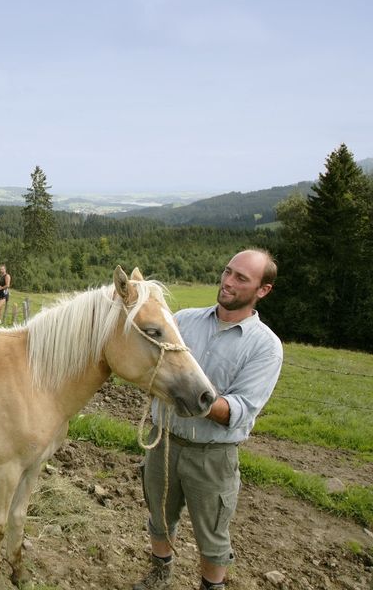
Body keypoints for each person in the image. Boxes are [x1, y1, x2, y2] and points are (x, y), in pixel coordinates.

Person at [133, 249, 283, 590]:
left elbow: (238, 410)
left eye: (241, 278)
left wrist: (191, 392)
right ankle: (160, 574)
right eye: (228, 271)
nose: (228, 281)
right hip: (165, 441)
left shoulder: (265, 347)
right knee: (158, 517)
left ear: (263, 290)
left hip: (213, 456)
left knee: (212, 534)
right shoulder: (183, 320)